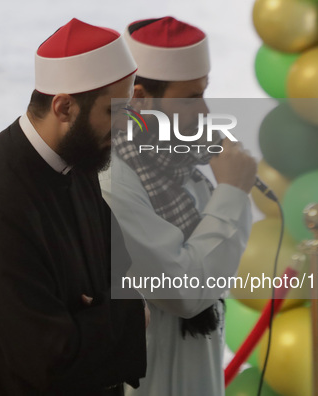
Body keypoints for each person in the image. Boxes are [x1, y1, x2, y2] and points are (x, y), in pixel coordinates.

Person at [0, 18, 147, 396]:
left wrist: (88, 313)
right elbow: (48, 358)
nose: (124, 127)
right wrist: (118, 314)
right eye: (113, 112)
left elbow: (125, 270)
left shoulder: (77, 158)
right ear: (64, 107)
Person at [101, 17, 257, 396]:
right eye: (189, 98)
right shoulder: (114, 180)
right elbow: (183, 291)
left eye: (204, 93)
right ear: (140, 100)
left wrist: (231, 191)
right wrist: (233, 192)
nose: (204, 111)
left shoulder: (181, 164)